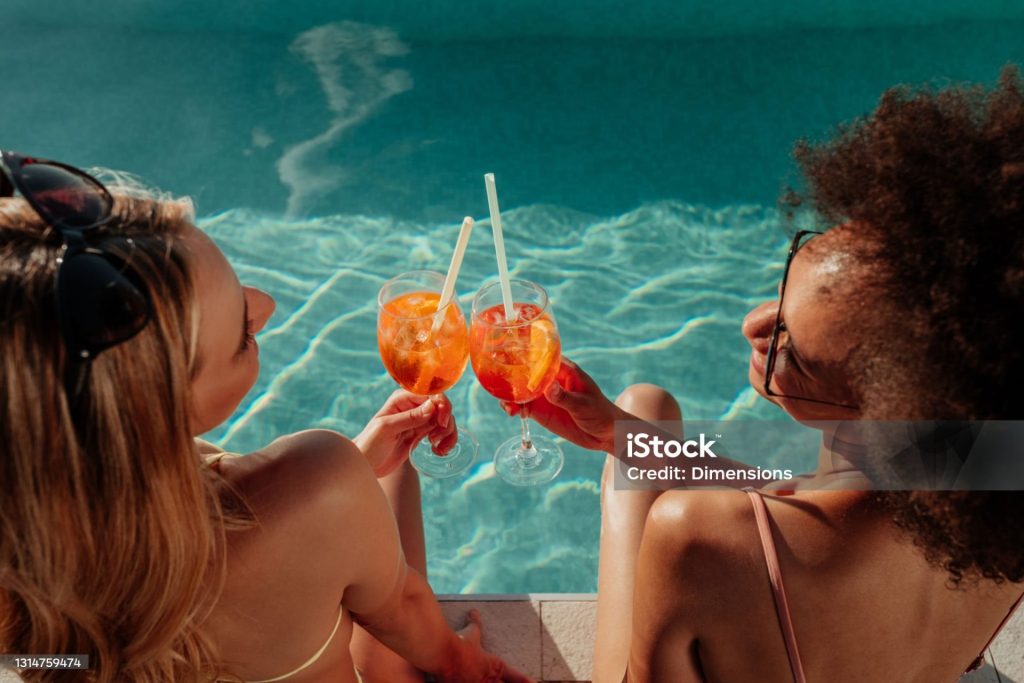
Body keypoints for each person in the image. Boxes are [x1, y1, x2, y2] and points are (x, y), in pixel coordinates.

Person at [507, 68, 1024, 682]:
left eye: (791, 350)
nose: (754, 324)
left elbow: (761, 533)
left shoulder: (699, 536)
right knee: (641, 422)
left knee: (640, 469)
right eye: (786, 283)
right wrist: (619, 435)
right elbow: (815, 506)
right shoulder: (994, 460)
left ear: (880, 398)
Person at [0, 151, 529, 683]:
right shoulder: (320, 481)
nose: (266, 306)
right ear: (154, 409)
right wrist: (469, 667)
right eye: (242, 335)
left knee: (389, 467)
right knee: (617, 449)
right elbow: (404, 609)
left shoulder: (28, 572)